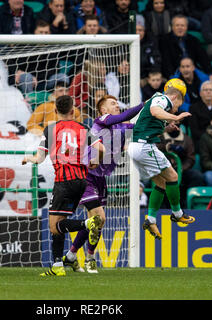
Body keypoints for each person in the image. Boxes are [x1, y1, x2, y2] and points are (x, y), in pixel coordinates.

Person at [22, 95, 105, 276]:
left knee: (54, 226)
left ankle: (88, 223)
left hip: (63, 181)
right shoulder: (84, 127)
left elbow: (40, 158)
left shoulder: (50, 129)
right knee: (59, 224)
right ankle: (58, 266)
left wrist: (28, 158)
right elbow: (101, 149)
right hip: (82, 182)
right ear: (73, 110)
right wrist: (95, 161)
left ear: (55, 110)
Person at [63, 95, 144, 273]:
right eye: (113, 103)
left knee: (96, 221)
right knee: (100, 218)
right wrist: (144, 104)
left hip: (100, 179)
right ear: (103, 110)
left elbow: (140, 126)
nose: (117, 106)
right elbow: (124, 117)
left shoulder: (122, 128)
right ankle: (90, 258)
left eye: (117, 103)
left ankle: (71, 255)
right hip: (85, 175)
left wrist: (165, 123)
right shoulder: (101, 120)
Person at [127, 81, 195, 240]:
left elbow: (151, 122)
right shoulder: (162, 99)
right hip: (144, 147)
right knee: (173, 177)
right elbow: (155, 111)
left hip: (137, 147)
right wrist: (176, 116)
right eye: (178, 105)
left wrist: (166, 127)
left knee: (161, 183)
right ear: (175, 97)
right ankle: (177, 214)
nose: (176, 109)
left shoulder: (158, 102)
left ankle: (150, 220)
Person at [157, 124, 204, 208]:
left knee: (197, 176)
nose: (174, 125)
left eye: (176, 122)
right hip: (163, 169)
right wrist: (166, 147)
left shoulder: (187, 139)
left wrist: (181, 168)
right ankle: (162, 208)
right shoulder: (160, 137)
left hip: (181, 169)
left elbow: (191, 158)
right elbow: (153, 149)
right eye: (171, 122)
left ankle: (189, 204)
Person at [159, 15, 212, 81]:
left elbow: (203, 58)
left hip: (192, 71)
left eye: (182, 25)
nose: (180, 28)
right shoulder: (164, 41)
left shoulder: (193, 40)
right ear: (172, 27)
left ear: (186, 27)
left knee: (208, 82)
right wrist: (171, 76)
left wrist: (210, 74)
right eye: (177, 25)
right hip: (175, 72)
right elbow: (166, 62)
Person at [189, 81, 212, 152]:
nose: (208, 92)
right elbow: (194, 130)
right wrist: (210, 137)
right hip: (201, 140)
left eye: (211, 90)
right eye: (205, 90)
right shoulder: (193, 108)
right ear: (200, 93)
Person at [136, 14, 162, 79]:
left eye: (140, 30)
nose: (138, 33)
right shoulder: (126, 44)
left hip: (148, 79)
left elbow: (156, 62)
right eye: (135, 30)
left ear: (144, 31)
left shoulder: (151, 43)